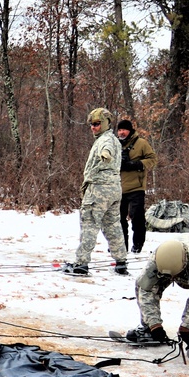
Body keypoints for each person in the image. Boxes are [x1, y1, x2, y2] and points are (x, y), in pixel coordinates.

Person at [63, 108, 128, 276]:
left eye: (97, 124)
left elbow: (106, 151)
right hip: (114, 189)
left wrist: (105, 155)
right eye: (92, 125)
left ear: (105, 124)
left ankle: (81, 264)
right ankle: (121, 262)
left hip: (99, 190)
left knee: (89, 224)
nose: (93, 127)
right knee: (113, 225)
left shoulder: (105, 141)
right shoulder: (113, 139)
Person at [116, 119, 157, 253]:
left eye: (124, 130)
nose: (121, 132)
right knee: (118, 219)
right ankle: (122, 247)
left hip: (136, 187)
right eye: (119, 130)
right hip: (118, 187)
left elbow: (152, 159)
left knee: (137, 217)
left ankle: (138, 245)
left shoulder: (141, 143)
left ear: (130, 130)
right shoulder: (114, 144)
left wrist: (136, 164)